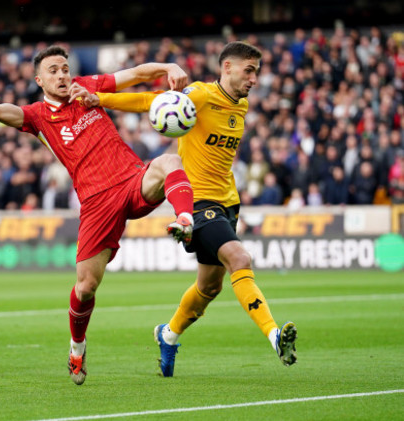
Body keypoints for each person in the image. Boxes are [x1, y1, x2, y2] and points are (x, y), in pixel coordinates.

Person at [0, 43, 195, 385]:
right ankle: (77, 349)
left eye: (65, 68)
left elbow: (138, 74)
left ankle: (185, 220)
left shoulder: (89, 86)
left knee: (170, 161)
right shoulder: (37, 116)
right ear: (40, 79)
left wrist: (168, 65)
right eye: (53, 70)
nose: (62, 75)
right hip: (96, 203)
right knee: (85, 287)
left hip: (131, 179)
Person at [85, 41, 297, 377]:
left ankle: (167, 335)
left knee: (209, 287)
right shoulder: (198, 95)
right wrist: (101, 99)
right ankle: (274, 336)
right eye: (249, 70)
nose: (254, 79)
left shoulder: (239, 105)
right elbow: (149, 101)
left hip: (228, 202)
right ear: (226, 67)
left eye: (256, 72)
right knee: (239, 259)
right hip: (197, 202)